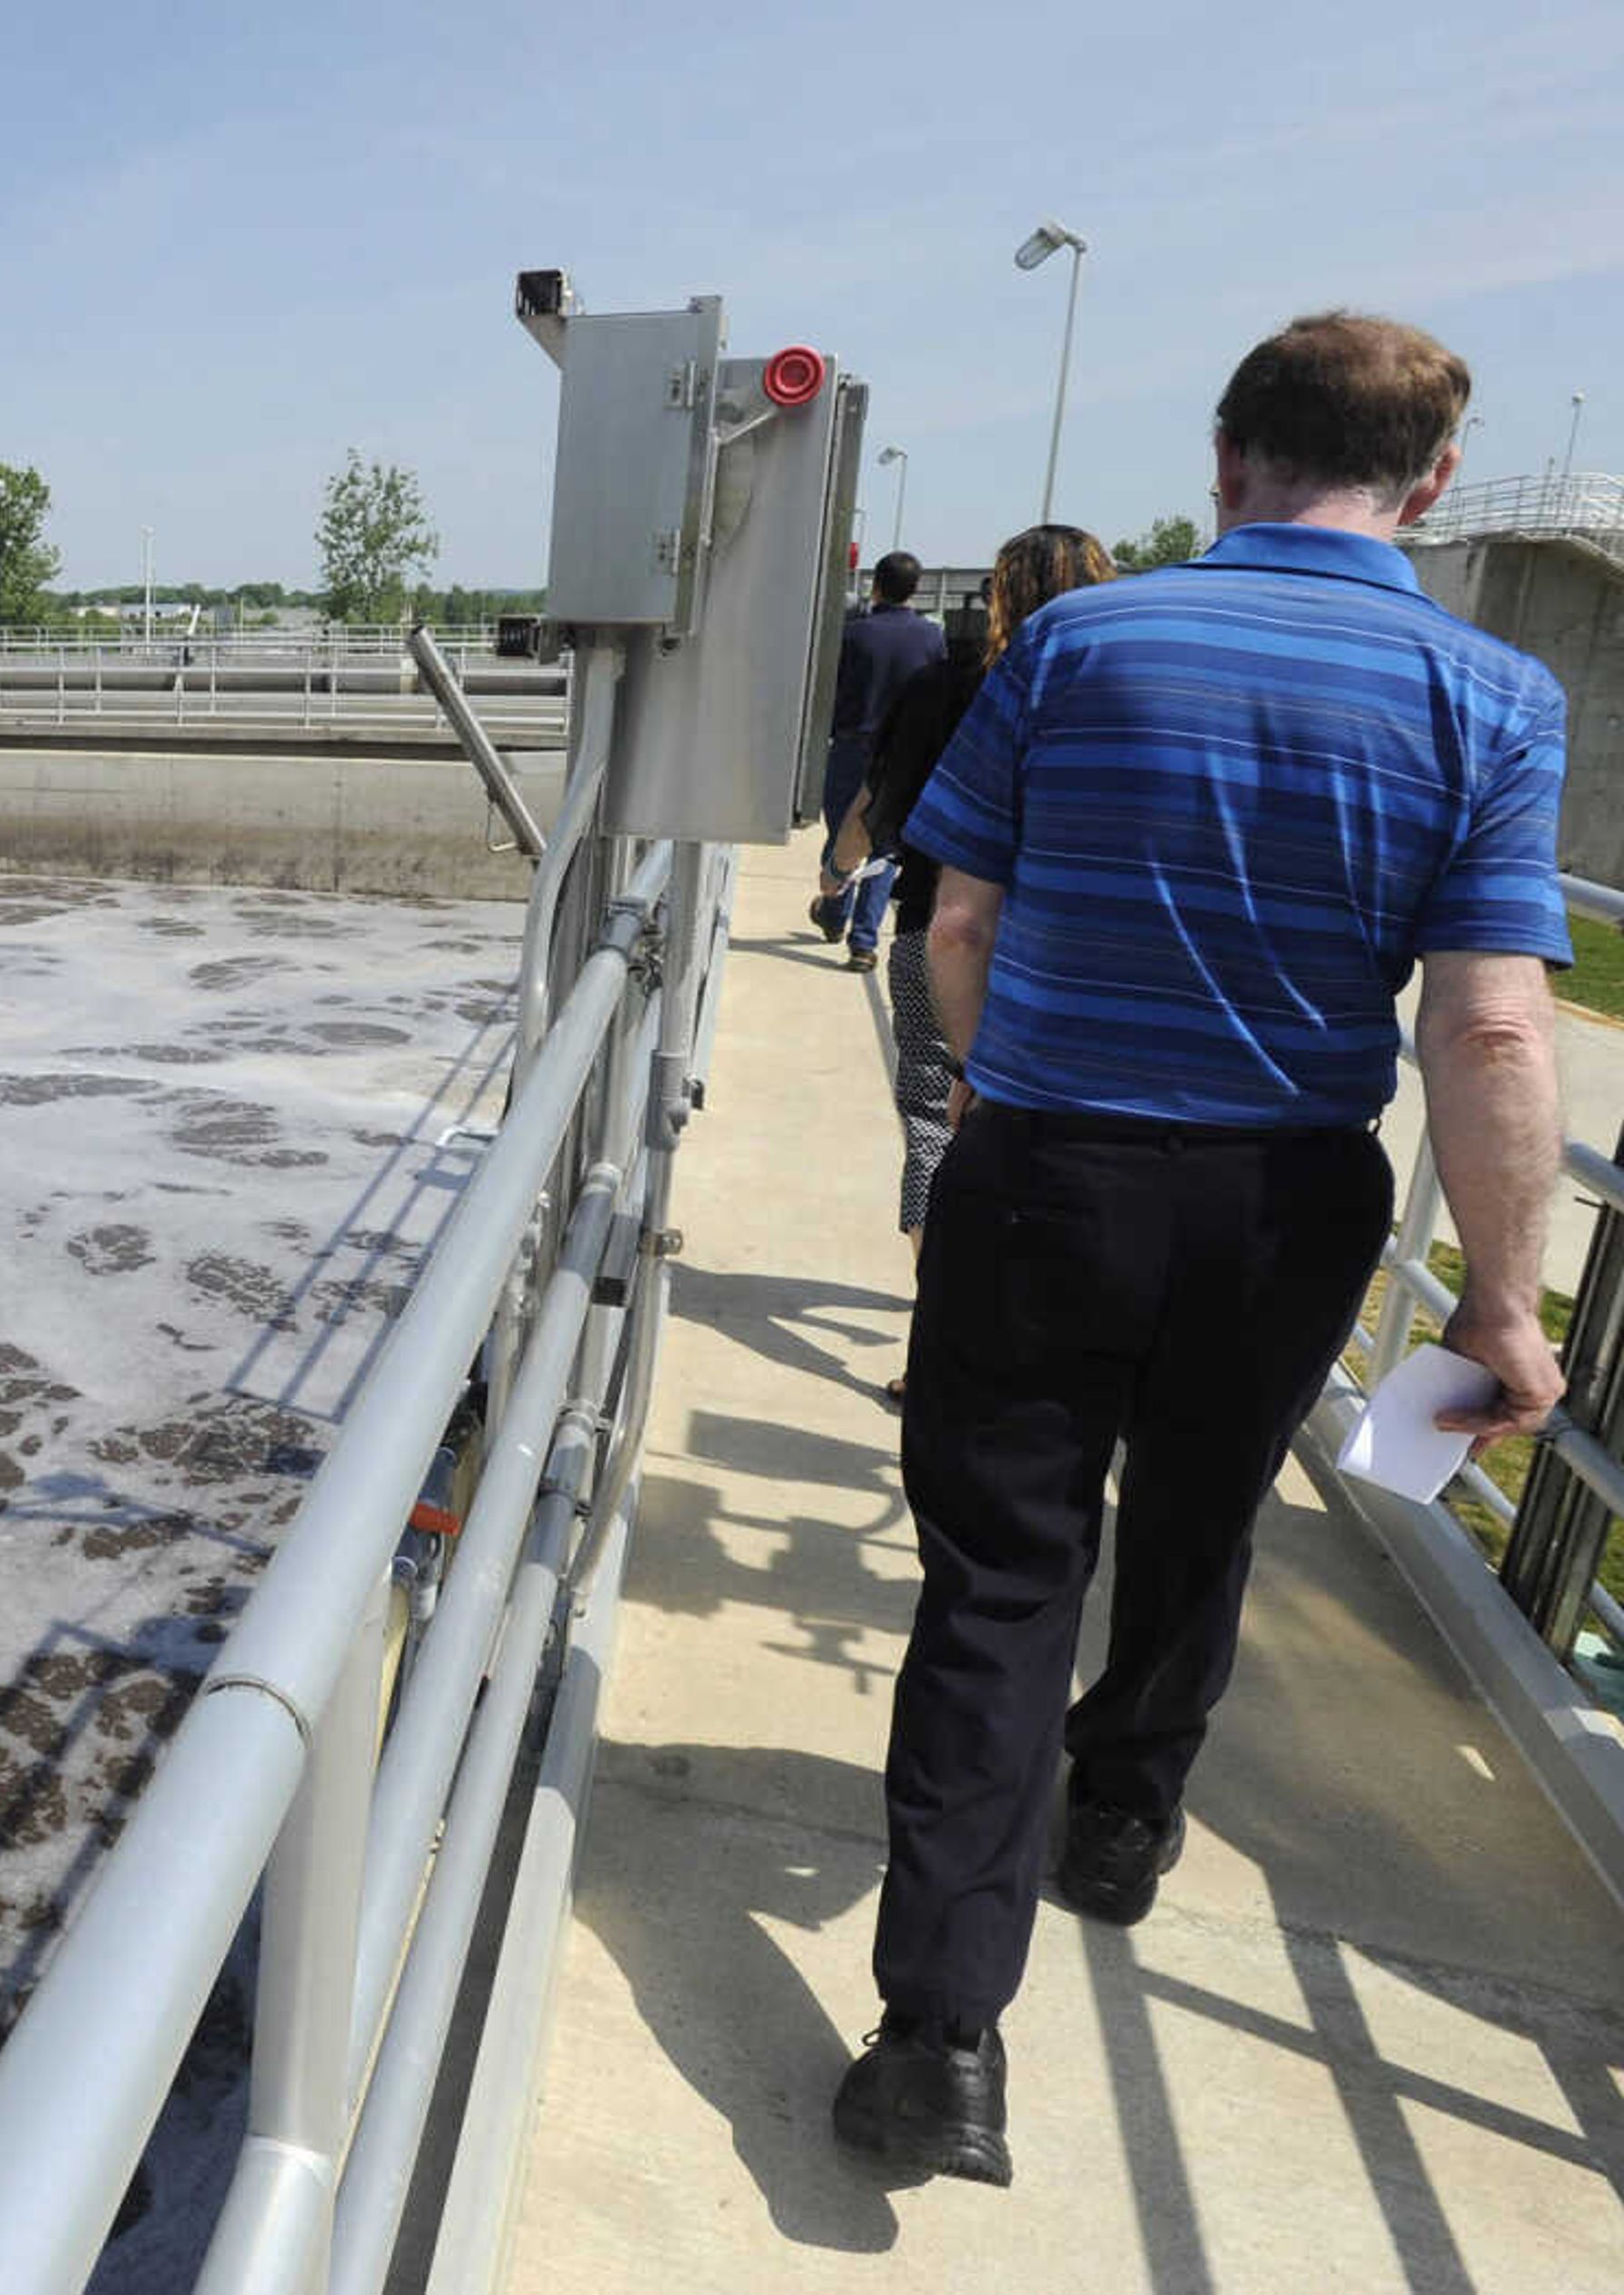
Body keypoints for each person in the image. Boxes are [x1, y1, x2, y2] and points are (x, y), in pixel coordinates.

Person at [832, 311, 1570, 2188]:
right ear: (1432, 485)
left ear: (1227, 459)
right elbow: (1489, 1027)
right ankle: (1124, 1826)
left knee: (999, 1582)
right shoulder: (1493, 699)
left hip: (1047, 1175)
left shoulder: (1077, 638)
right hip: (1285, 1202)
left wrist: (1009, 1093)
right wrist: (1499, 1298)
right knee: (1199, 1521)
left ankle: (939, 2041)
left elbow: (958, 919)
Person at [822, 528, 1118, 1379]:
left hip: (935, 934)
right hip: (1073, 960)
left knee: (932, 1127)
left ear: (999, 596)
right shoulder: (1120, 698)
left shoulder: (955, 684)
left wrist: (841, 872)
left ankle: (945, 1341)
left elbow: (885, 799)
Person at [809, 552, 946, 970]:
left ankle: (833, 915)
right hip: (904, 756)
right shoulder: (931, 638)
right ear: (916, 589)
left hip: (852, 748)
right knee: (885, 847)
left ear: (876, 586)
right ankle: (864, 943)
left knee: (841, 833)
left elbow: (827, 694)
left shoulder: (853, 635)